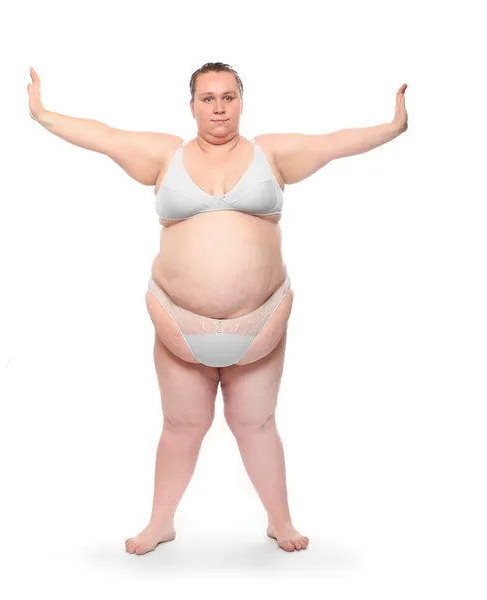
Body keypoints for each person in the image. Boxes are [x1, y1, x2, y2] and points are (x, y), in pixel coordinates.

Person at [27, 62, 408, 554]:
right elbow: (106, 137)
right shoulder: (166, 155)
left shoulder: (270, 154)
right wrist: (44, 114)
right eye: (208, 98)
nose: (219, 108)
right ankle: (160, 523)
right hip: (179, 322)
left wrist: (392, 127)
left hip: (260, 322)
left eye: (228, 97)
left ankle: (280, 521)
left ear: (241, 102)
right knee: (180, 428)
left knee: (258, 426)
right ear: (192, 106)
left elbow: (334, 143)